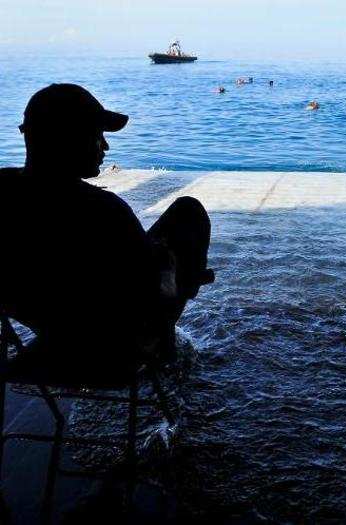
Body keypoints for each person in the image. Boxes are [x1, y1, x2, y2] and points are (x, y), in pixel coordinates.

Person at [0, 84, 214, 380]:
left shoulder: (6, 192)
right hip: (114, 355)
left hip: (48, 337)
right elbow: (155, 295)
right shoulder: (103, 212)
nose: (105, 146)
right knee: (187, 212)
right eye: (97, 135)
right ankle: (165, 346)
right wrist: (168, 267)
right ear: (67, 138)